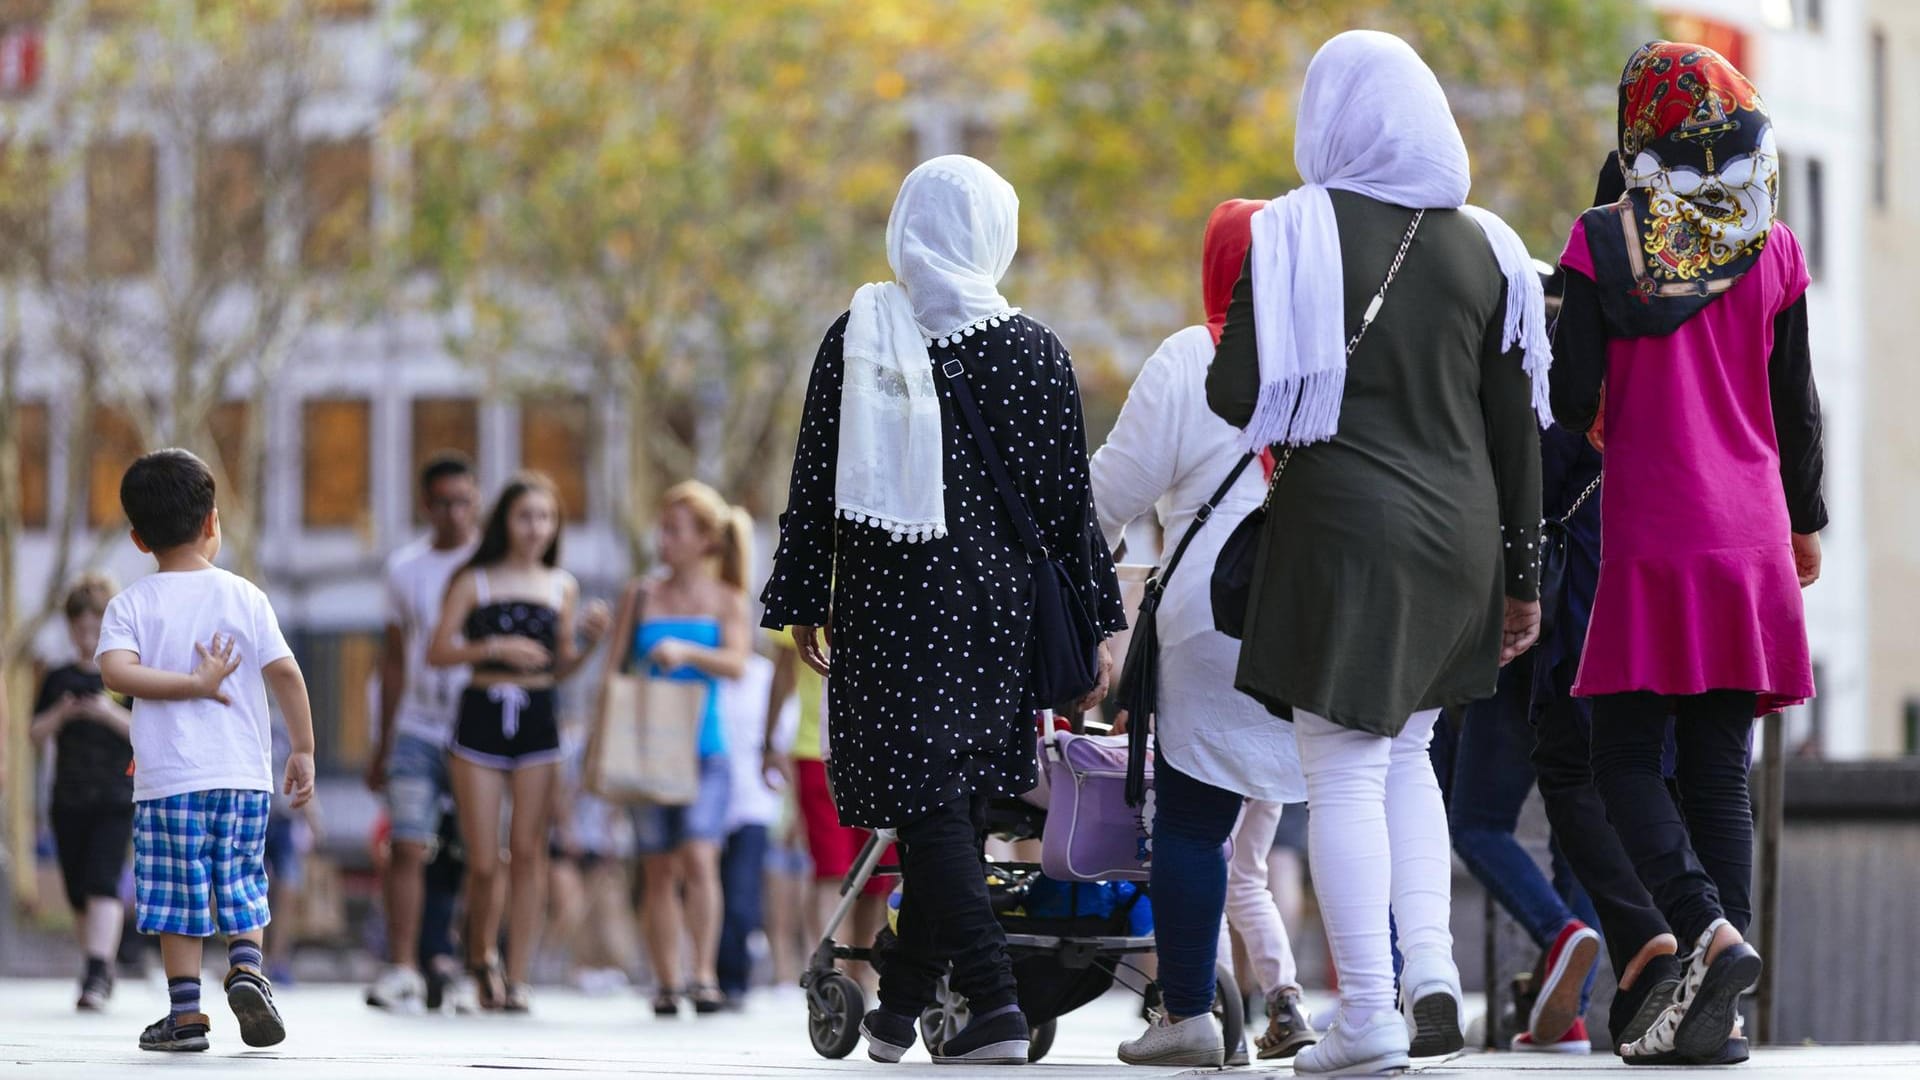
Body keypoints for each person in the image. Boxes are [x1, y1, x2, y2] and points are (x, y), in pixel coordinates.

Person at [1206, 31, 1551, 1075]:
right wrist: (1525, 577)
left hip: (1343, 538)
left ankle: (1368, 1016)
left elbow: (1234, 397)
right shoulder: (1488, 245)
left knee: (1344, 768)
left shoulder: (1291, 231)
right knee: (1409, 756)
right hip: (1460, 544)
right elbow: (1515, 428)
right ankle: (1435, 973)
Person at [763, 154, 1125, 1066]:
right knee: (951, 810)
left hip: (894, 605)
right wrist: (1099, 628)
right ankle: (898, 1011)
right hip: (998, 616)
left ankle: (996, 1009)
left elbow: (815, 486)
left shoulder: (861, 335)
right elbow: (1067, 511)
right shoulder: (1035, 349)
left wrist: (806, 596)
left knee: (929, 807)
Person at [1551, 40, 1825, 1066]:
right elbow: (1797, 411)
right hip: (1752, 539)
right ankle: (1726, 1010)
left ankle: (1705, 928)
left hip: (1657, 534)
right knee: (1717, 772)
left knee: (1619, 757)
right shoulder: (1776, 245)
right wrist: (1805, 524)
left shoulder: (1601, 243)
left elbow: (1571, 400)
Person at [1090, 199, 1311, 1067]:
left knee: (1191, 820)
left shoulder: (1191, 357)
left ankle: (1186, 1014)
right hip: (1324, 614)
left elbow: (1107, 495)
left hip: (1211, 622)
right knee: (1348, 804)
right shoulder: (1337, 358)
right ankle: (1380, 1001)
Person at [95, 448, 318, 1052]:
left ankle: (187, 1015)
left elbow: (117, 674)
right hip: (244, 777)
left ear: (139, 539)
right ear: (213, 522)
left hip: (169, 782)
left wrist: (188, 685)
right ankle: (247, 968)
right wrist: (303, 749)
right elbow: (289, 675)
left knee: (176, 896)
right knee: (242, 879)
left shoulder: (131, 604)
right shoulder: (246, 596)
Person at [427, 472, 612, 1012]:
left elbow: (558, 669)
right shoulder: (474, 580)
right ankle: (481, 956)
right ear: (504, 520)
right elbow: (438, 651)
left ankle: (519, 973)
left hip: (538, 719)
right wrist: (495, 645)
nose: (536, 528)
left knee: (530, 853)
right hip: (481, 714)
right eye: (525, 516)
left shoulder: (561, 584)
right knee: (486, 860)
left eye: (546, 518)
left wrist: (588, 646)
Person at [599, 480, 751, 1017]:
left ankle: (703, 975)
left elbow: (737, 662)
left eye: (675, 530)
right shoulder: (639, 595)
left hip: (705, 748)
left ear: (707, 540)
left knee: (700, 857)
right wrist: (600, 756)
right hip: (647, 749)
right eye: (662, 528)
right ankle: (666, 980)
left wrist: (684, 650)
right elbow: (613, 675)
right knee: (657, 867)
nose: (663, 539)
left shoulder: (726, 598)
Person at [365, 452, 480, 1013]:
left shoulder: (493, 563)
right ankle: (403, 965)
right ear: (426, 506)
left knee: (475, 854)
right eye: (444, 503)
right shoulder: (405, 569)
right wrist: (380, 741)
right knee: (407, 844)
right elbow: (391, 660)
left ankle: (458, 962)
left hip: (480, 731)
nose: (455, 513)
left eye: (464, 501)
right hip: (416, 725)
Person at [764, 627, 892, 995]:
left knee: (875, 873)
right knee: (833, 868)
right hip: (817, 746)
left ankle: (856, 971)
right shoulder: (813, 580)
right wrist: (770, 740)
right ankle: (830, 970)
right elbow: (785, 670)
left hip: (879, 748)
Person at [30, 574, 135, 1011]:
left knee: (101, 881)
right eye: (80, 628)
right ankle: (98, 966)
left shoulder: (125, 674)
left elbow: (147, 733)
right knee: (78, 890)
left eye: (96, 628)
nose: (87, 637)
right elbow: (34, 734)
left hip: (115, 797)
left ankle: (97, 971)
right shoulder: (56, 678)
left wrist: (107, 712)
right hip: (68, 799)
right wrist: (63, 713)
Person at [717, 650, 789, 1007]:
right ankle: (704, 972)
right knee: (706, 887)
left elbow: (784, 737)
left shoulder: (764, 675)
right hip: (707, 797)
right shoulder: (706, 674)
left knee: (742, 896)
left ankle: (733, 978)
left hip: (754, 803)